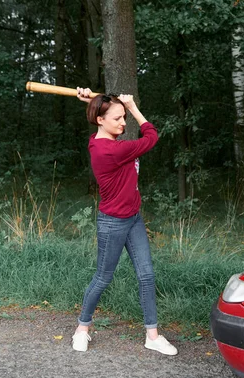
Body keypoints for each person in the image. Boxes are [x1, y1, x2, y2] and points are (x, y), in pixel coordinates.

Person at [72, 88, 177, 356]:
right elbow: (151, 137)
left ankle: (152, 336)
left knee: (147, 274)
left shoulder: (102, 138)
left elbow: (104, 116)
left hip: (133, 218)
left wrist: (95, 102)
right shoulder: (109, 150)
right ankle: (82, 329)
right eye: (117, 118)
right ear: (100, 121)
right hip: (112, 223)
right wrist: (131, 107)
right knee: (103, 277)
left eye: (124, 118)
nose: (122, 123)